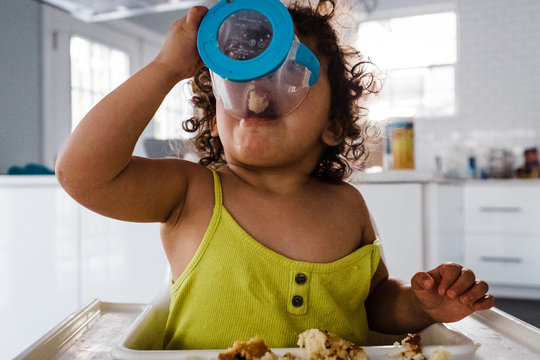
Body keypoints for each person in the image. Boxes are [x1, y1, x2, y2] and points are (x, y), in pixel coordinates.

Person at [55, 0, 494, 350]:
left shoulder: (347, 206)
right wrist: (167, 69)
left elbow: (374, 304)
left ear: (333, 124)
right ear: (213, 117)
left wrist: (419, 305)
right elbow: (83, 173)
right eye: (237, 79)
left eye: (290, 76)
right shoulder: (191, 193)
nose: (258, 93)